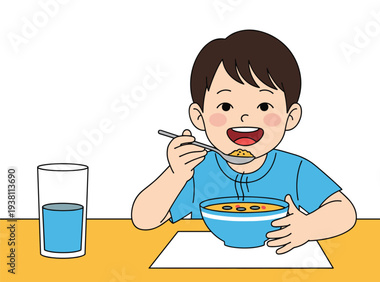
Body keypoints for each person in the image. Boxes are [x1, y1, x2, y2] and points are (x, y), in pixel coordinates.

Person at [132, 30, 356, 254]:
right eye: (226, 107)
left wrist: (308, 227)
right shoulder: (196, 170)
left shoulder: (295, 171)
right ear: (199, 117)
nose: (245, 118)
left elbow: (345, 212)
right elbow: (144, 220)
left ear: (291, 117)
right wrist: (175, 175)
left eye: (264, 107)